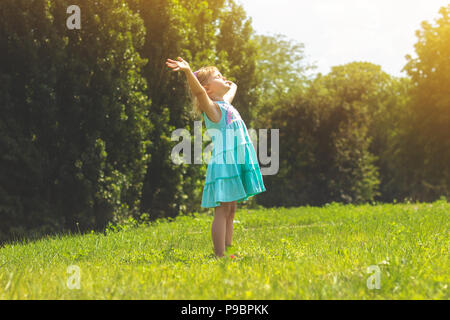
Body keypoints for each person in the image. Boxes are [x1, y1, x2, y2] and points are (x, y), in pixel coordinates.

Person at [166, 57, 266, 258]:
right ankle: (219, 254)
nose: (224, 78)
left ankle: (229, 250)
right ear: (208, 88)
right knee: (222, 210)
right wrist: (188, 71)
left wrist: (232, 84)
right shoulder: (212, 109)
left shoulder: (225, 104)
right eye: (218, 76)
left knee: (231, 210)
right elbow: (198, 92)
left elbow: (232, 90)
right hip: (224, 164)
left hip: (235, 161)